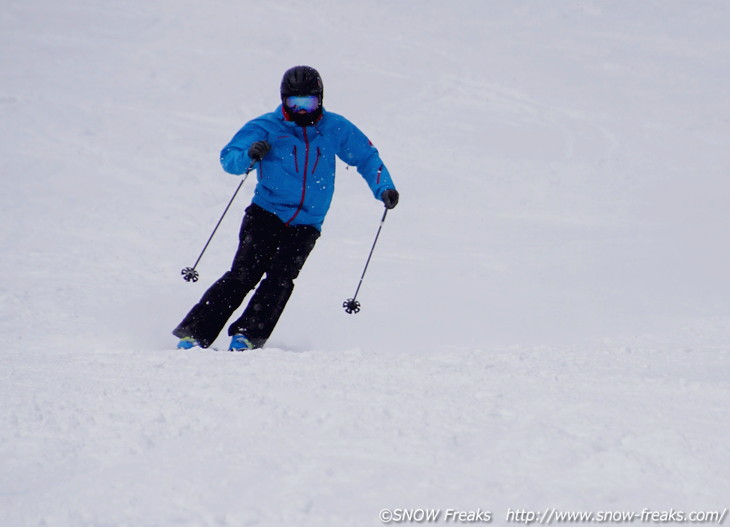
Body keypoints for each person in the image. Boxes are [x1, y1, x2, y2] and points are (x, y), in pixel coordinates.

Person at [173, 65, 399, 351]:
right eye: (295, 103)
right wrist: (249, 154)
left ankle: (247, 335)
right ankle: (195, 333)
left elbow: (367, 157)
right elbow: (229, 159)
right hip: (266, 212)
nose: (302, 110)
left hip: (307, 222)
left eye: (309, 103)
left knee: (280, 279)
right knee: (243, 275)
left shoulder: (335, 128)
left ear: (320, 99)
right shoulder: (266, 127)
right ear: (284, 101)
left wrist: (384, 188)